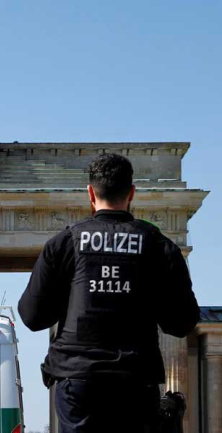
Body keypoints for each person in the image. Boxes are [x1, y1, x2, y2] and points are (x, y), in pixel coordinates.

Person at [18, 153, 199, 433]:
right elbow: (182, 323)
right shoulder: (158, 246)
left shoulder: (64, 243)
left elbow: (32, 317)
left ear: (91, 193)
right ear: (132, 193)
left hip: (77, 382)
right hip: (135, 383)